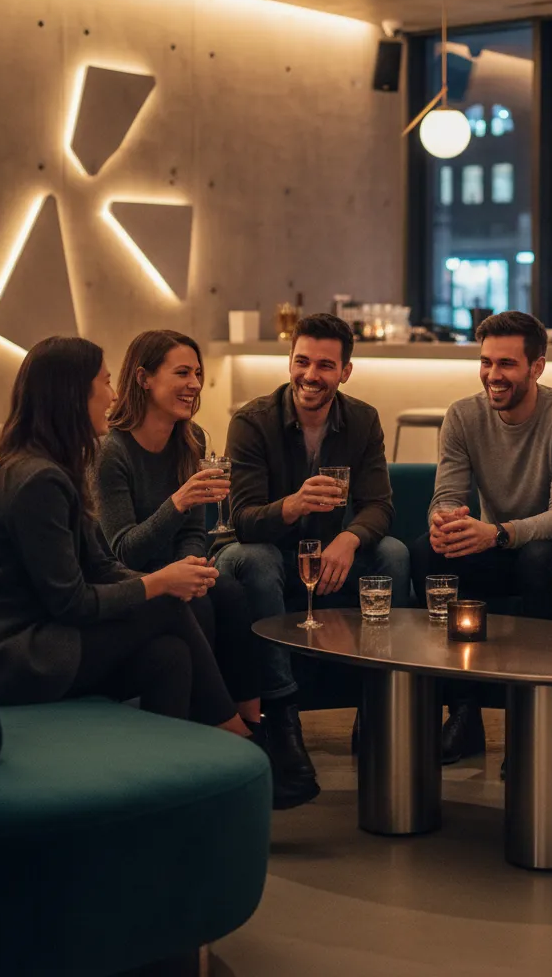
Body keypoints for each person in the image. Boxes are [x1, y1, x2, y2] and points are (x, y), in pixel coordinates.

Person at [0, 336, 263, 745]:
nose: (114, 395)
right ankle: (233, 729)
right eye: (105, 382)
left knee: (169, 656)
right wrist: (158, 584)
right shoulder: (37, 479)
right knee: (167, 609)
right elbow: (72, 602)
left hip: (29, 636)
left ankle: (169, 773)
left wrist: (174, 576)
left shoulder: (55, 466)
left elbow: (101, 565)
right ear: (73, 395)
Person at [94, 330, 317, 810]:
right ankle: (236, 740)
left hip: (177, 571)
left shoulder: (190, 439)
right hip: (131, 583)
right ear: (142, 378)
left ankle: (252, 726)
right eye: (181, 373)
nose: (194, 383)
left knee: (230, 590)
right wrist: (177, 504)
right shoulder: (111, 453)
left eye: (197, 373)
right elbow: (121, 551)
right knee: (197, 601)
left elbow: (197, 532)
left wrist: (192, 561)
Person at [216, 312, 410, 772]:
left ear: (345, 372)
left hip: (331, 554)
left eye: (325, 365)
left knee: (394, 555)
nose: (310, 375)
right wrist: (294, 505)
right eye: (302, 362)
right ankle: (282, 717)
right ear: (289, 363)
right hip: (266, 551)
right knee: (256, 560)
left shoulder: (362, 420)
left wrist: (349, 537)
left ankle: (379, 703)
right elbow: (242, 522)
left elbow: (379, 505)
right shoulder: (251, 422)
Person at [411, 311, 552, 764]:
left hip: (544, 547)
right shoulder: (462, 415)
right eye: (486, 362)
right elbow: (446, 495)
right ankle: (463, 712)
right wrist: (445, 521)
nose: (493, 375)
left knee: (536, 559)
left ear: (537, 367)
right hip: (495, 544)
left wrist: (498, 534)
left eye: (507, 364)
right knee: (426, 551)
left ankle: (530, 722)